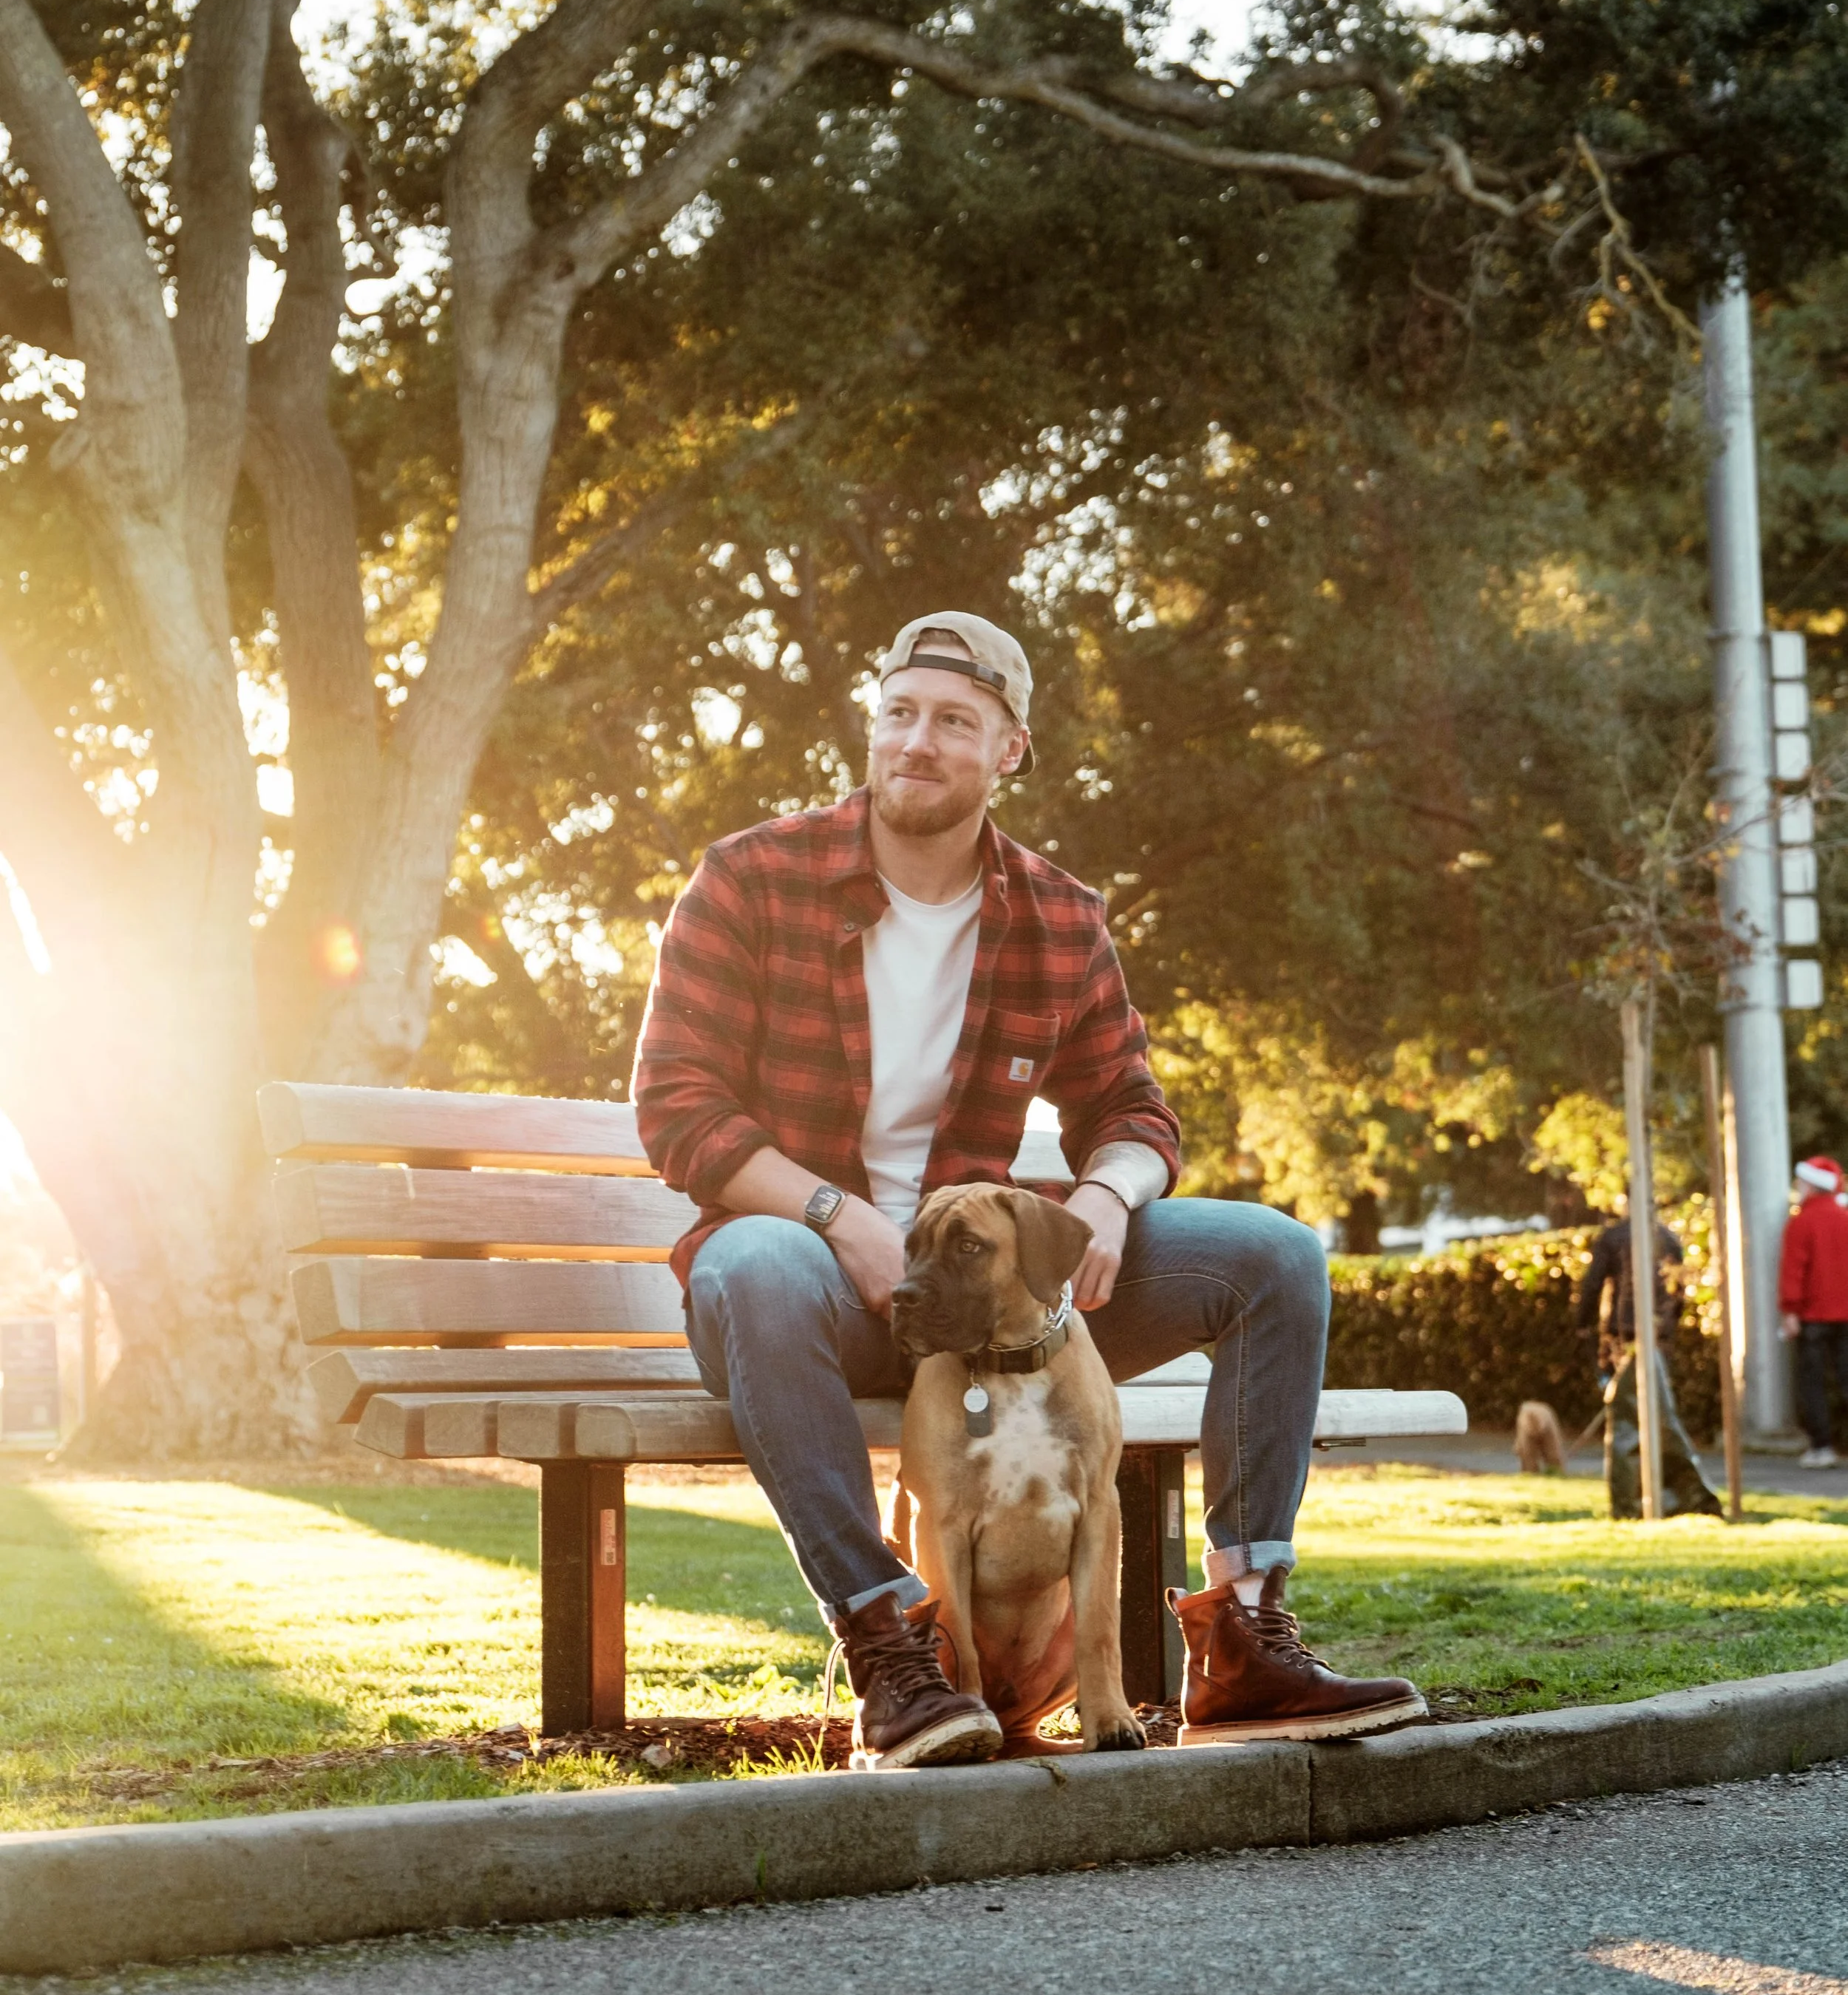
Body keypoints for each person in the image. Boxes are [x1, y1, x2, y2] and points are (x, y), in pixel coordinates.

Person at [631, 610, 1423, 1767]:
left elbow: (1137, 1112)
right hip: (814, 1297)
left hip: (994, 1302)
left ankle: (1245, 1636)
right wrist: (835, 1213)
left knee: (1274, 1255)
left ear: (1010, 749)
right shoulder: (753, 877)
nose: (917, 740)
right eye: (898, 712)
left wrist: (1103, 1201)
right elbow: (679, 1106)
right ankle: (891, 1649)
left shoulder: (1058, 915)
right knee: (753, 1258)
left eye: (955, 721)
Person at [1576, 1190, 1721, 1518]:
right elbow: (1678, 1291)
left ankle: (1634, 1500)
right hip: (1658, 1336)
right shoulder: (1669, 1239)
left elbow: (1593, 1284)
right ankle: (1660, 1494)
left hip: (1623, 1334)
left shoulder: (1614, 1237)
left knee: (1630, 1419)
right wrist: (1667, 1328)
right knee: (1657, 1412)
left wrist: (1583, 1326)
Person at [1779, 1155, 1848, 1468]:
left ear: (1810, 1185)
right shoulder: (1844, 1217)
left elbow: (1793, 1270)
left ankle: (1822, 1447)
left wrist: (1789, 1311)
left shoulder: (1802, 1221)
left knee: (1813, 1383)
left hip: (1814, 1316)